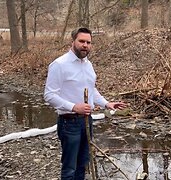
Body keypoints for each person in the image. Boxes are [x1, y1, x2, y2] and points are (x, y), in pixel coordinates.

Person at [44, 27, 126, 180]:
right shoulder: (59, 64)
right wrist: (74, 107)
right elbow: (49, 95)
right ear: (73, 41)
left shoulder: (88, 64)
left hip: (87, 121)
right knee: (70, 167)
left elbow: (91, 89)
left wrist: (106, 104)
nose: (85, 45)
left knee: (83, 164)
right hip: (69, 122)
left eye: (88, 42)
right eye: (81, 41)